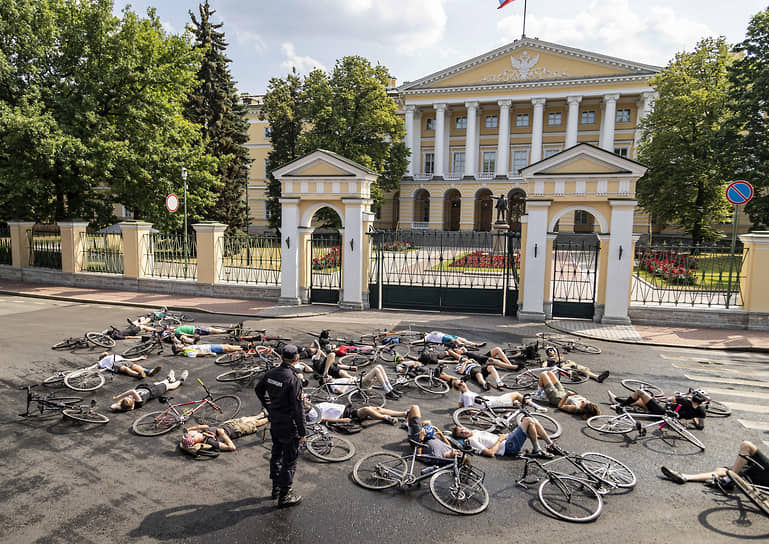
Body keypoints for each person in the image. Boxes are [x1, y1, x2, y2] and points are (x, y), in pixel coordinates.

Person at [254, 344, 306, 508]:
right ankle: (285, 495)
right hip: (289, 424)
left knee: (276, 454)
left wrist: (269, 406)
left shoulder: (271, 373)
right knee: (289, 460)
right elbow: (298, 408)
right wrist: (302, 431)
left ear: (282, 357)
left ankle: (276, 488)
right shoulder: (293, 378)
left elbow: (258, 389)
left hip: (275, 421)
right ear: (296, 358)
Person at [661, 441, 769, 488]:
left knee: (747, 445)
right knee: (720, 470)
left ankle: (729, 479)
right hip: (759, 473)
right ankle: (685, 477)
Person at [451, 416, 557, 459]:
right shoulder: (472, 440)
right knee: (528, 420)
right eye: (461, 433)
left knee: (532, 421)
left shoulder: (474, 431)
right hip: (508, 446)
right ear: (462, 437)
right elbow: (490, 453)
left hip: (507, 439)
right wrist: (500, 440)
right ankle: (538, 449)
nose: (464, 431)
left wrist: (504, 436)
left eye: (463, 429)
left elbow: (492, 438)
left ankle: (549, 444)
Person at [608, 388, 706, 429]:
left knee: (640, 392)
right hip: (666, 419)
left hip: (662, 412)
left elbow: (671, 399)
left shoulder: (685, 401)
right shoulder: (699, 411)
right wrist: (687, 418)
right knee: (641, 402)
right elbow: (700, 425)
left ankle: (620, 405)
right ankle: (616, 400)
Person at [180, 413, 269, 454]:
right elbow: (232, 447)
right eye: (192, 435)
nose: (193, 432)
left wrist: (190, 429)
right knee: (255, 423)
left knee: (245, 418)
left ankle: (262, 414)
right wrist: (223, 434)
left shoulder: (202, 433)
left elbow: (204, 426)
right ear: (195, 439)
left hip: (228, 424)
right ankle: (271, 417)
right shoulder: (210, 441)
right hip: (235, 430)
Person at [450, 375, 545, 411]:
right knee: (516, 394)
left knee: (517, 403)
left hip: (490, 402)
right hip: (492, 403)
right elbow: (468, 410)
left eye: (461, 382)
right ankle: (537, 407)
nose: (462, 384)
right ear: (458, 389)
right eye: (459, 385)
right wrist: (480, 412)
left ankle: (525, 404)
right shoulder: (466, 395)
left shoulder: (463, 394)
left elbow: (460, 405)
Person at [110, 369, 188, 411]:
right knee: (168, 386)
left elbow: (113, 406)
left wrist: (119, 404)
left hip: (146, 387)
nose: (129, 397)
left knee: (159, 382)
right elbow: (132, 391)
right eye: (129, 399)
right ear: (132, 404)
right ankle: (180, 381)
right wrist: (119, 397)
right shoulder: (138, 402)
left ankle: (169, 378)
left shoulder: (127, 404)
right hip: (154, 391)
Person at [534, 370, 601, 419]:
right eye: (586, 401)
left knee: (543, 374)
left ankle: (538, 394)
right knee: (549, 373)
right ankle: (545, 392)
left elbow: (560, 406)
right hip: (562, 393)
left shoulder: (575, 408)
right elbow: (578, 396)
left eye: (584, 403)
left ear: (584, 409)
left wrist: (567, 396)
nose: (583, 401)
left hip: (557, 398)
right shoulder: (588, 404)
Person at [322, 363, 403, 400]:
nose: (328, 375)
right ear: (325, 382)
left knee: (379, 366)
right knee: (376, 370)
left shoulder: (336, 380)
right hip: (359, 386)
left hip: (359, 381)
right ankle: (388, 392)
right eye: (326, 377)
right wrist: (349, 381)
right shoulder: (332, 384)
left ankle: (390, 389)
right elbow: (341, 392)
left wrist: (351, 378)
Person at [543, 346, 609, 383]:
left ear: (554, 351)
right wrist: (547, 367)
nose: (549, 351)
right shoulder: (548, 359)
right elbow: (544, 366)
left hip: (570, 362)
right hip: (561, 365)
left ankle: (597, 377)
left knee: (584, 369)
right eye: (548, 351)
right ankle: (574, 376)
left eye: (551, 350)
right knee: (568, 370)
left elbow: (564, 348)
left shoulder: (560, 356)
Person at [306, 401, 403, 426]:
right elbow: (323, 420)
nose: (306, 404)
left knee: (376, 408)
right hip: (345, 415)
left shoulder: (316, 405)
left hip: (347, 408)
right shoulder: (312, 414)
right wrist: (341, 420)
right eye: (304, 405)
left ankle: (403, 414)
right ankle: (385, 417)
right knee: (367, 410)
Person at [449, 345, 524, 371]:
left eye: (458, 349)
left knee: (497, 349)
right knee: (496, 361)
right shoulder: (462, 356)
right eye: (457, 350)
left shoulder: (464, 351)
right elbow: (451, 352)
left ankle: (509, 364)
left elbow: (463, 347)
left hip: (483, 355)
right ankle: (513, 367)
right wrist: (452, 351)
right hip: (481, 360)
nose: (459, 349)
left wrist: (460, 348)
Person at [97, 352, 161, 379]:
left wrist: (139, 358)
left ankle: (149, 372)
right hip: (114, 364)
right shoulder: (102, 361)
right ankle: (138, 375)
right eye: (104, 354)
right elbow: (98, 366)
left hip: (123, 361)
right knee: (126, 369)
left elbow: (128, 359)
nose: (105, 353)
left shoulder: (115, 355)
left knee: (136, 366)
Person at [170, 338, 242, 357]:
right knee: (227, 348)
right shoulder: (187, 352)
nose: (179, 344)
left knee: (226, 346)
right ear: (178, 349)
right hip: (210, 349)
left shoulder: (186, 347)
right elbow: (199, 354)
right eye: (177, 345)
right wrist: (210, 353)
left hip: (209, 346)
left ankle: (242, 347)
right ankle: (243, 348)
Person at [413, 331, 486, 349]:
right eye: (424, 333)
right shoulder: (427, 337)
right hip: (443, 338)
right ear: (424, 335)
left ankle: (475, 344)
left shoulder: (431, 333)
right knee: (456, 341)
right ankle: (462, 345)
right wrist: (412, 342)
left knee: (463, 339)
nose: (425, 333)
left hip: (446, 335)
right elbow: (421, 341)